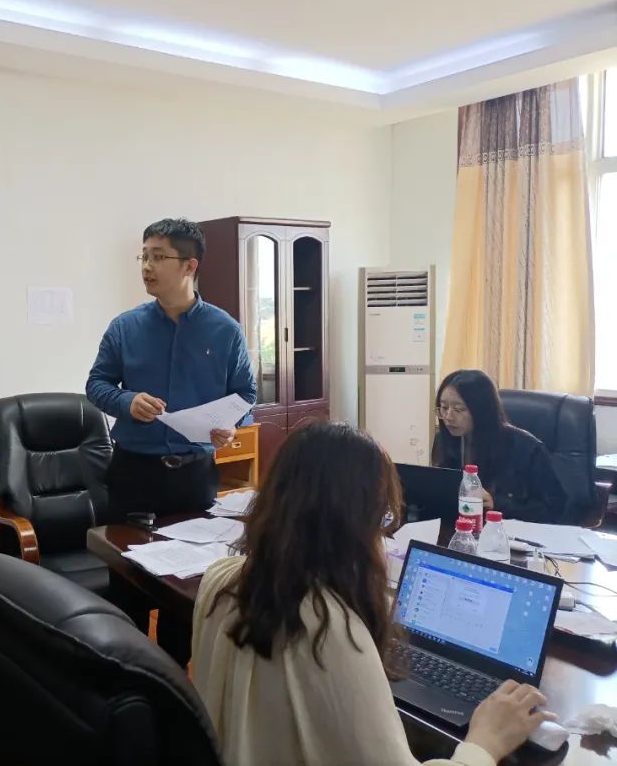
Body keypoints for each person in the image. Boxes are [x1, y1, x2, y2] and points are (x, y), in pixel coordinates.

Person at [192, 421, 553, 766]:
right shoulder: (328, 628)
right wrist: (485, 743)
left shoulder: (221, 579)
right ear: (354, 525)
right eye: (383, 519)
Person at [86, 217, 256, 665]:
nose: (146, 266)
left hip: (193, 479)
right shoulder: (125, 327)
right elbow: (96, 385)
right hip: (133, 475)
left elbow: (246, 395)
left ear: (189, 266)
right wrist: (126, 401)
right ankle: (127, 675)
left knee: (186, 589)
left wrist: (232, 425)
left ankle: (174, 678)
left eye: (158, 257)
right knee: (128, 586)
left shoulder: (224, 330)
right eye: (143, 256)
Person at [431, 369, 569, 524]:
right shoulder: (443, 440)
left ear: (481, 410)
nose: (448, 417)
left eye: (458, 409)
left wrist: (496, 503)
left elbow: (554, 509)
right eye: (444, 408)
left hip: (509, 532)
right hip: (460, 527)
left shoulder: (527, 449)